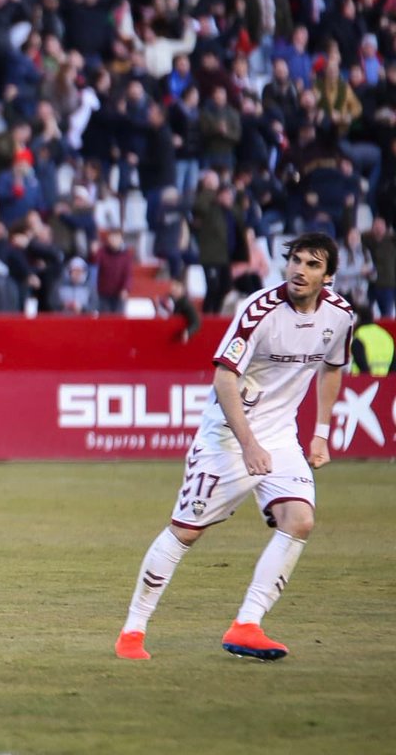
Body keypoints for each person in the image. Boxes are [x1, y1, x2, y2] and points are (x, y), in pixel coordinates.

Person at [115, 232, 353, 661]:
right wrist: (247, 445)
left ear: (329, 276)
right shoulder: (258, 310)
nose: (300, 270)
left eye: (312, 264)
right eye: (296, 260)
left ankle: (247, 624)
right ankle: (133, 630)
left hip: (279, 435)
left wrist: (319, 432)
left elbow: (333, 369)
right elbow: (224, 378)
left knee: (299, 521)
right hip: (228, 433)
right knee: (186, 530)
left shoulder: (339, 316)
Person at [350, 304, 393, 377]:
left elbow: (362, 364)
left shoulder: (359, 336)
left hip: (362, 383)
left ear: (358, 318)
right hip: (385, 382)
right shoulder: (385, 335)